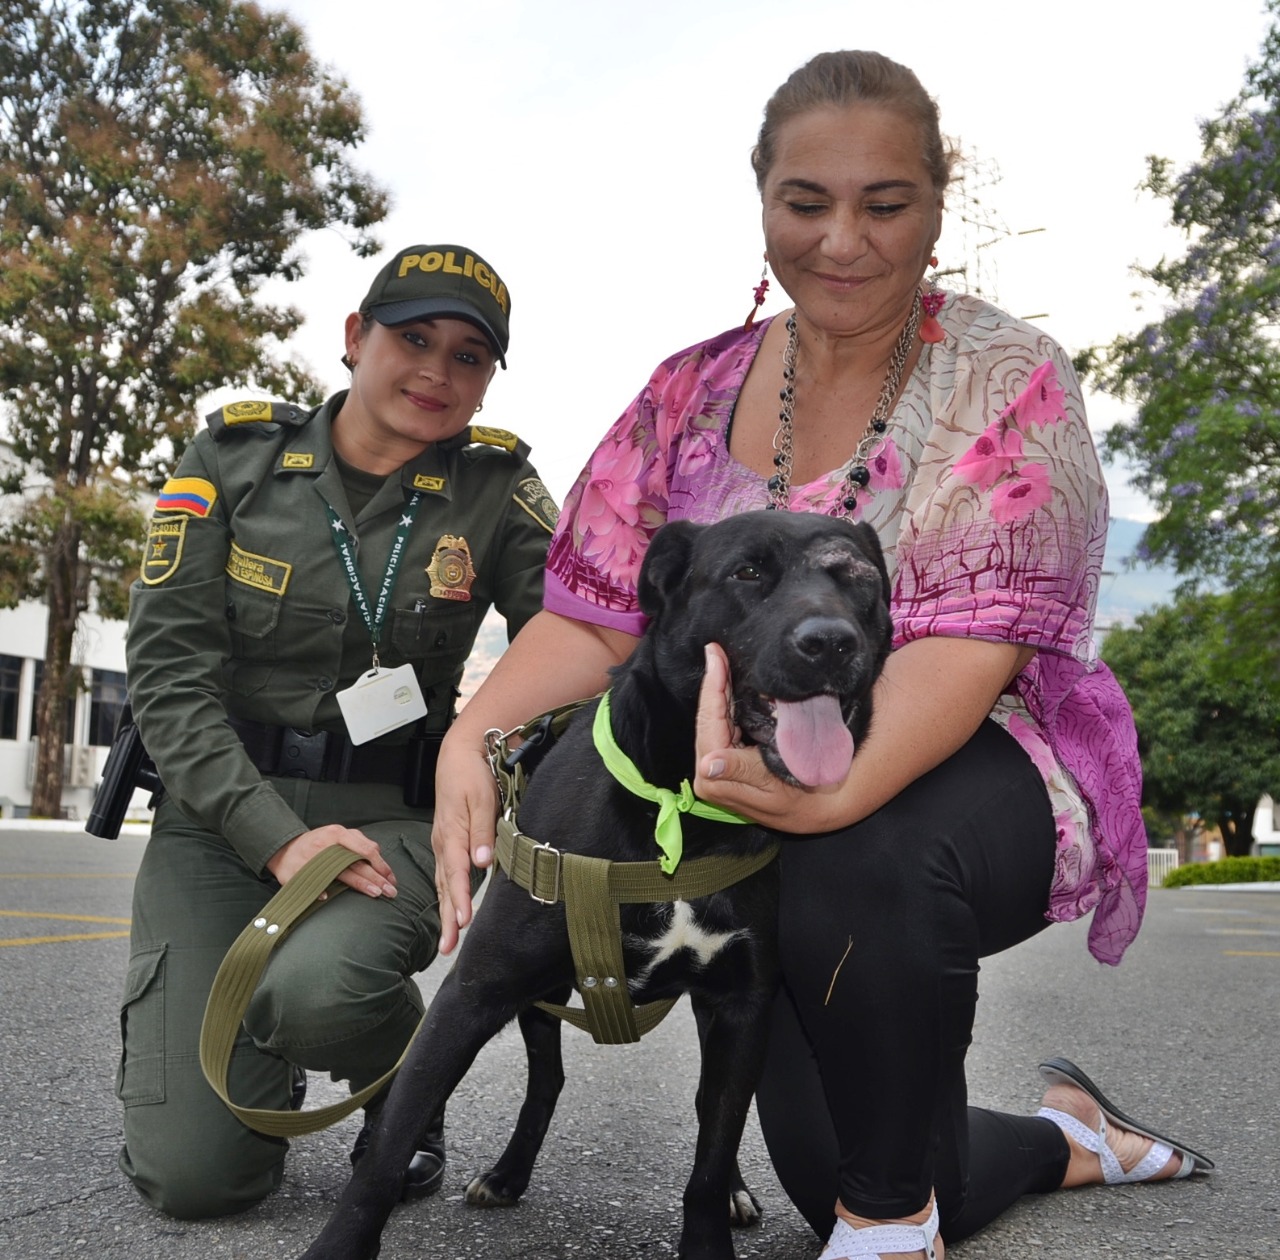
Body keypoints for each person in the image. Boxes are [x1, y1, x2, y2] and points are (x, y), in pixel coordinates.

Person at [429, 53, 1212, 1260]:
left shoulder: (1008, 382)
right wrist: (470, 744)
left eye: (883, 204)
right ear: (761, 199)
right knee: (819, 1159)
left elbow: (967, 652)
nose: (841, 239)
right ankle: (1062, 1136)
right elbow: (592, 617)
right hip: (758, 793)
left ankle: (889, 1227)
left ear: (936, 205)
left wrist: (819, 785)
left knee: (862, 847)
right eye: (806, 203)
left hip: (966, 771)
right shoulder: (683, 393)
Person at [118, 243, 558, 1219]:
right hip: (219, 820)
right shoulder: (233, 461)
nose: (437, 374)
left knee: (317, 994)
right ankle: (250, 1050)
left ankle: (408, 1082)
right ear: (355, 338)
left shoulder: (495, 489)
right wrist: (275, 839)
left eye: (469, 356)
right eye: (413, 340)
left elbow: (569, 643)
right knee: (196, 1182)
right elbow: (168, 679)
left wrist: (496, 754)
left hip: (394, 818)